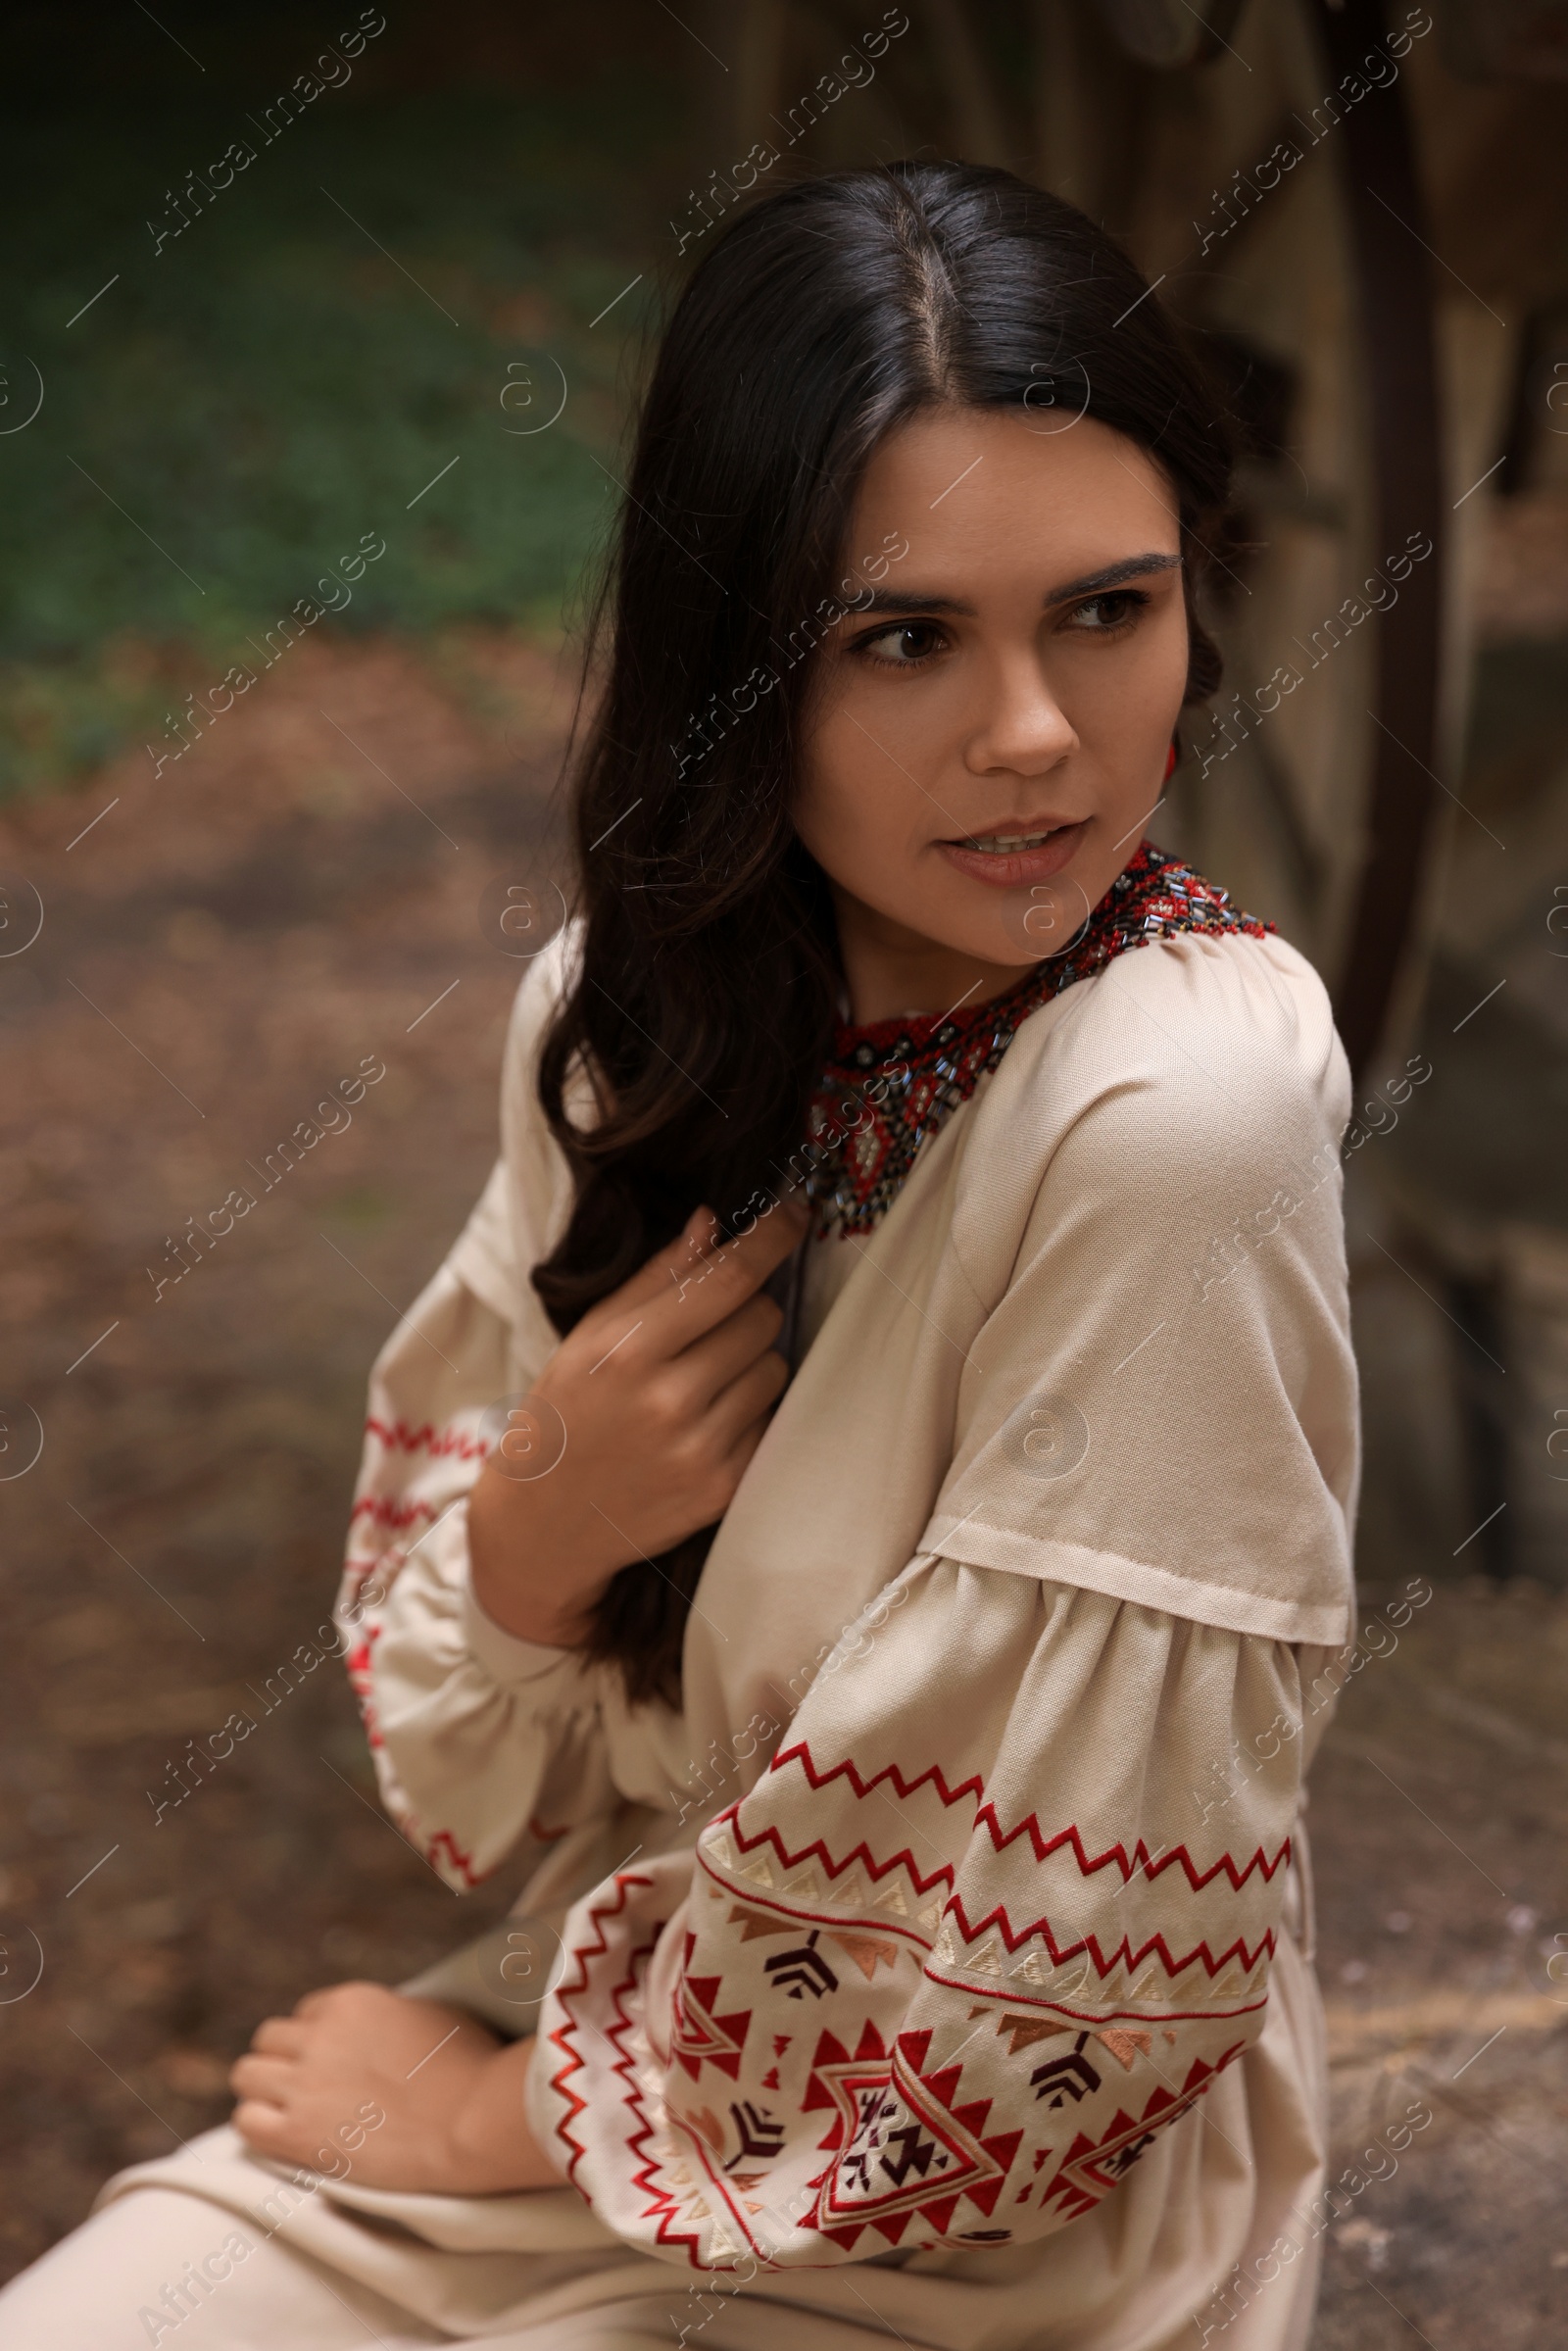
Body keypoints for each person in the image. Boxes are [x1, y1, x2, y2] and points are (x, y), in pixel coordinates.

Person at [0, 160, 1357, 2350]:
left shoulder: (1174, 1112)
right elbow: (481, 1771)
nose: (1030, 733)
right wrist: (537, 1531)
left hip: (973, 2219)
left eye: (1102, 611)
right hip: (602, 2042)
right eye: (902, 639)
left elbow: (1046, 2001)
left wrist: (478, 2122)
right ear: (737, 665)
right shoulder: (616, 1023)